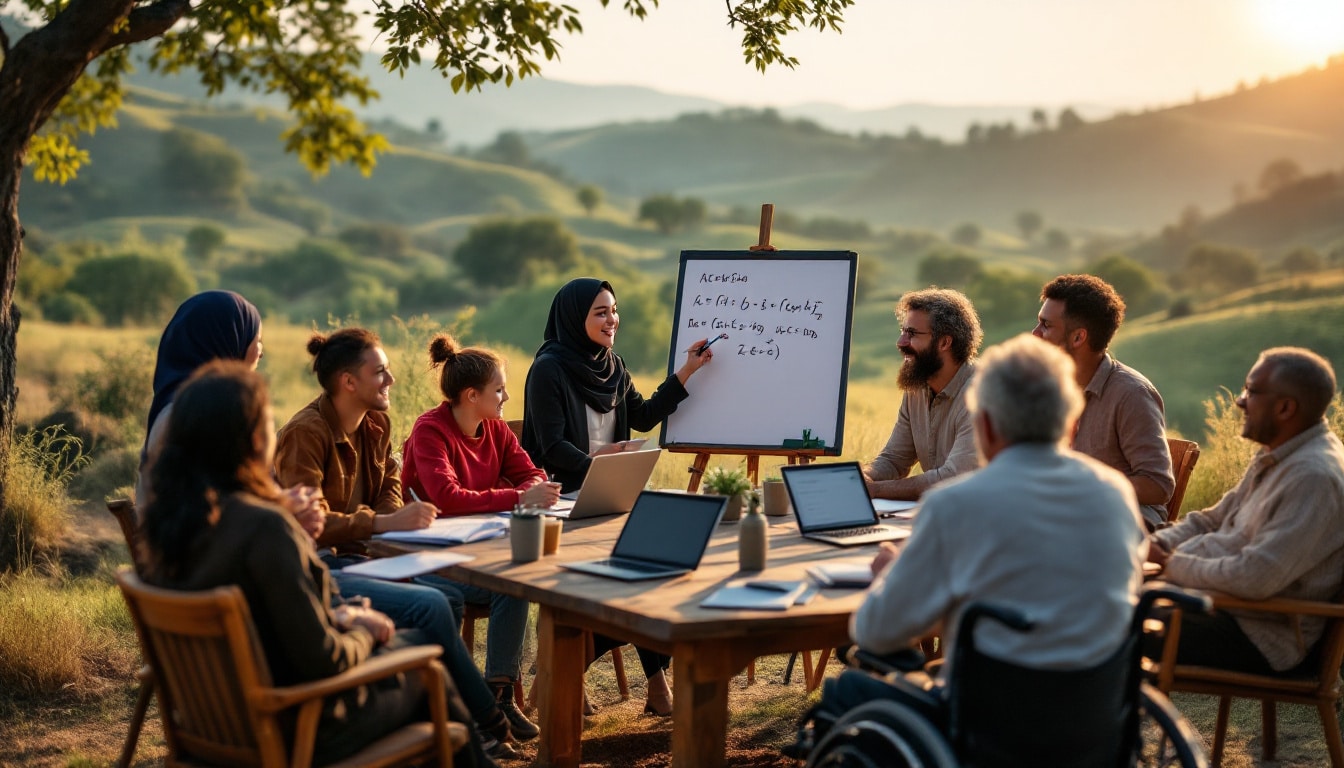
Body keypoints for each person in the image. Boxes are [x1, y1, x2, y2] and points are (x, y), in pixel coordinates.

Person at [139, 361, 495, 768]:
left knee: (419, 651)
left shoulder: (169, 527)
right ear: (253, 440)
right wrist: (363, 629)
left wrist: (338, 615)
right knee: (427, 671)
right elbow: (323, 659)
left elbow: (268, 618)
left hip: (216, 722)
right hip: (299, 724)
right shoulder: (264, 528)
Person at [820, 334, 1146, 721]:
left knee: (846, 690)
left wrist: (889, 579)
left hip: (991, 719)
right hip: (1093, 716)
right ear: (1072, 425)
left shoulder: (954, 504)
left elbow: (874, 632)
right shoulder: (1116, 494)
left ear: (985, 427)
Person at [274, 327, 533, 750]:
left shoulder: (376, 423)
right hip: (326, 565)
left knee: (456, 596)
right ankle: (482, 717)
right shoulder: (306, 432)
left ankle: (456, 715)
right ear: (348, 382)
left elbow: (388, 489)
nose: (391, 380)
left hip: (377, 558)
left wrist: (392, 517)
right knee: (436, 602)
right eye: (380, 372)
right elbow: (310, 523)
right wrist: (381, 525)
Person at [521, 277, 713, 716]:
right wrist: (603, 463)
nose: (612, 320)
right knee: (627, 576)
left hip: (614, 493)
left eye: (614, 310)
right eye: (601, 312)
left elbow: (643, 417)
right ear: (575, 318)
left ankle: (639, 677)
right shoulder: (548, 369)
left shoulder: (613, 365)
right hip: (564, 497)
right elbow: (551, 449)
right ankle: (572, 669)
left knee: (654, 569)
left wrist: (688, 370)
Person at [1151, 347, 1344, 674]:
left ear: (1285, 408)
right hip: (1221, 608)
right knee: (1097, 601)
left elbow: (1255, 577)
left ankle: (1095, 721)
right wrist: (1158, 545)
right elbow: (1209, 519)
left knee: (1106, 621)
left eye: (1251, 392)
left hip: (1258, 635)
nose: (1239, 401)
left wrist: (1170, 565)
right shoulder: (1280, 452)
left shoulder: (1313, 477)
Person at [402, 333, 556, 730]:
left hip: (476, 549)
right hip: (427, 554)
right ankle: (458, 706)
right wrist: (520, 498)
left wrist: (532, 487)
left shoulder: (496, 429)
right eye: (499, 390)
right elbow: (446, 499)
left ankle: (497, 696)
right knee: (472, 589)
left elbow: (530, 472)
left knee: (513, 581)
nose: (506, 398)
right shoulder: (429, 431)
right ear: (472, 395)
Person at [1033, 274, 1174, 529]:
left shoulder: (1132, 394)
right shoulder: (1049, 389)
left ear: (1078, 338)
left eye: (1046, 325)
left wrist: (1085, 484)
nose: (1035, 333)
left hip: (1121, 524)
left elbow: (1158, 486)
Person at [136, 290, 264, 513]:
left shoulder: (179, 406)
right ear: (229, 340)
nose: (260, 353)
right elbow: (223, 502)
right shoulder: (201, 415)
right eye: (257, 340)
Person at [864, 288, 983, 501]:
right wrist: (861, 478)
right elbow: (894, 460)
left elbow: (953, 478)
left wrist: (875, 490)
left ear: (945, 342)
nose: (900, 342)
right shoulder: (916, 390)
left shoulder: (982, 393)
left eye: (912, 333)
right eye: (903, 331)